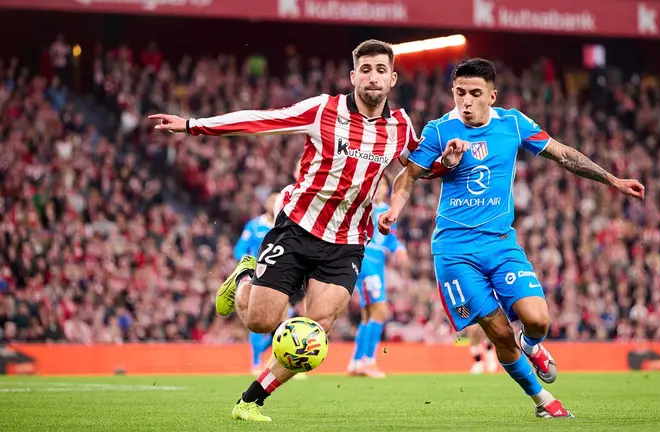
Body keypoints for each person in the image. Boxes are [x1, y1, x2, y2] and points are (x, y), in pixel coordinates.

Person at [149, 39, 442, 422]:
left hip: (349, 241)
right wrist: (193, 126)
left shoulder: (401, 127)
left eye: (381, 70)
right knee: (260, 322)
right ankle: (244, 278)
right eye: (365, 70)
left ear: (392, 79)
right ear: (353, 76)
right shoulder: (323, 110)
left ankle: (251, 400)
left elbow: (418, 167)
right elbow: (261, 121)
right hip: (298, 229)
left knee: (316, 331)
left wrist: (446, 162)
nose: (373, 77)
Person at [379, 58, 645, 418]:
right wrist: (394, 210)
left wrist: (613, 180)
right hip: (455, 251)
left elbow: (563, 155)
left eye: (475, 94)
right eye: (460, 94)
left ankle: (532, 345)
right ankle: (543, 402)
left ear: (492, 95)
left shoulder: (513, 124)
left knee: (537, 320)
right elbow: (408, 177)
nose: (466, 102)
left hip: (501, 243)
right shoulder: (439, 131)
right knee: (499, 333)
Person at [347, 174, 408, 378]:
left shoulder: (388, 211)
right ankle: (369, 361)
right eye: (378, 184)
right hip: (365, 261)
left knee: (368, 313)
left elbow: (390, 240)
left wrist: (399, 247)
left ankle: (356, 362)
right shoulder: (363, 207)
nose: (380, 188)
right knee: (380, 310)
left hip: (378, 265)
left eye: (384, 185)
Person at [233, 191, 281, 376]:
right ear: (266, 205)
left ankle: (263, 353)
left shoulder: (285, 226)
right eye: (272, 200)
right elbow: (239, 250)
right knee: (257, 316)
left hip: (281, 277)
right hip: (258, 277)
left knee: (284, 319)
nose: (275, 204)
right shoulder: (254, 226)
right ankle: (255, 362)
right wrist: (248, 265)